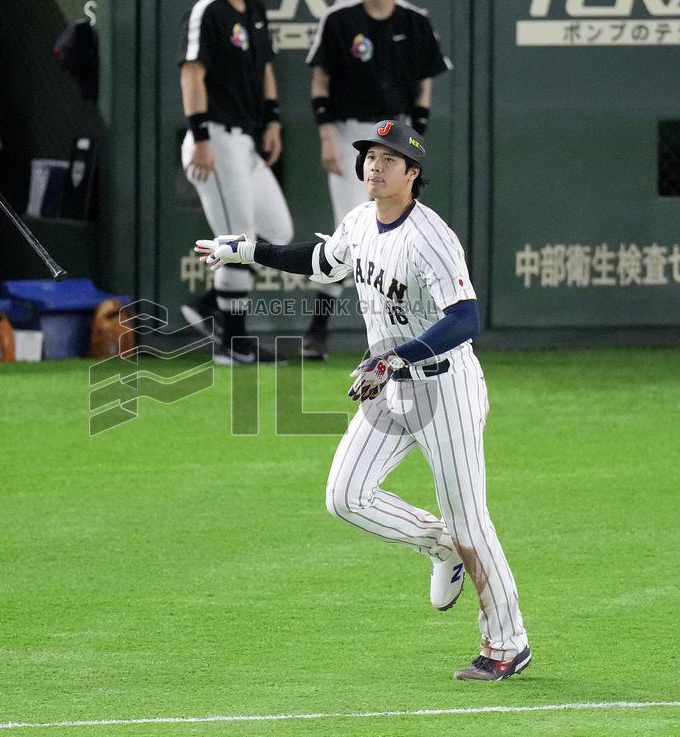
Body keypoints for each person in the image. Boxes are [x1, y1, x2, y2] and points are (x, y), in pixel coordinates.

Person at [195, 120, 531, 681]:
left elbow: (465, 319)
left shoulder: (430, 237)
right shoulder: (360, 221)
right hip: (391, 383)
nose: (374, 166)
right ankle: (439, 544)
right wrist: (248, 249)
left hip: (444, 385)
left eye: (388, 159)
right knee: (345, 495)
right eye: (370, 156)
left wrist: (397, 358)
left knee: (473, 522)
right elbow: (319, 259)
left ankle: (507, 642)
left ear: (412, 174)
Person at [301, 0, 450, 360]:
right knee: (348, 234)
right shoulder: (339, 18)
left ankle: (405, 331)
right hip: (350, 132)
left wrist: (415, 141)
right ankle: (318, 330)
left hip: (398, 135)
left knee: (401, 230)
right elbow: (320, 82)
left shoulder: (415, 20)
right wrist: (326, 137)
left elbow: (423, 86)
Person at [178, 0, 294, 365]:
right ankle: (233, 342)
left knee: (279, 233)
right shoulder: (208, 10)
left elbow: (266, 69)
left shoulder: (255, 11)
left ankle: (212, 305)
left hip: (245, 140)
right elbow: (191, 73)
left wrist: (272, 121)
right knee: (239, 239)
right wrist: (200, 138)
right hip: (214, 137)